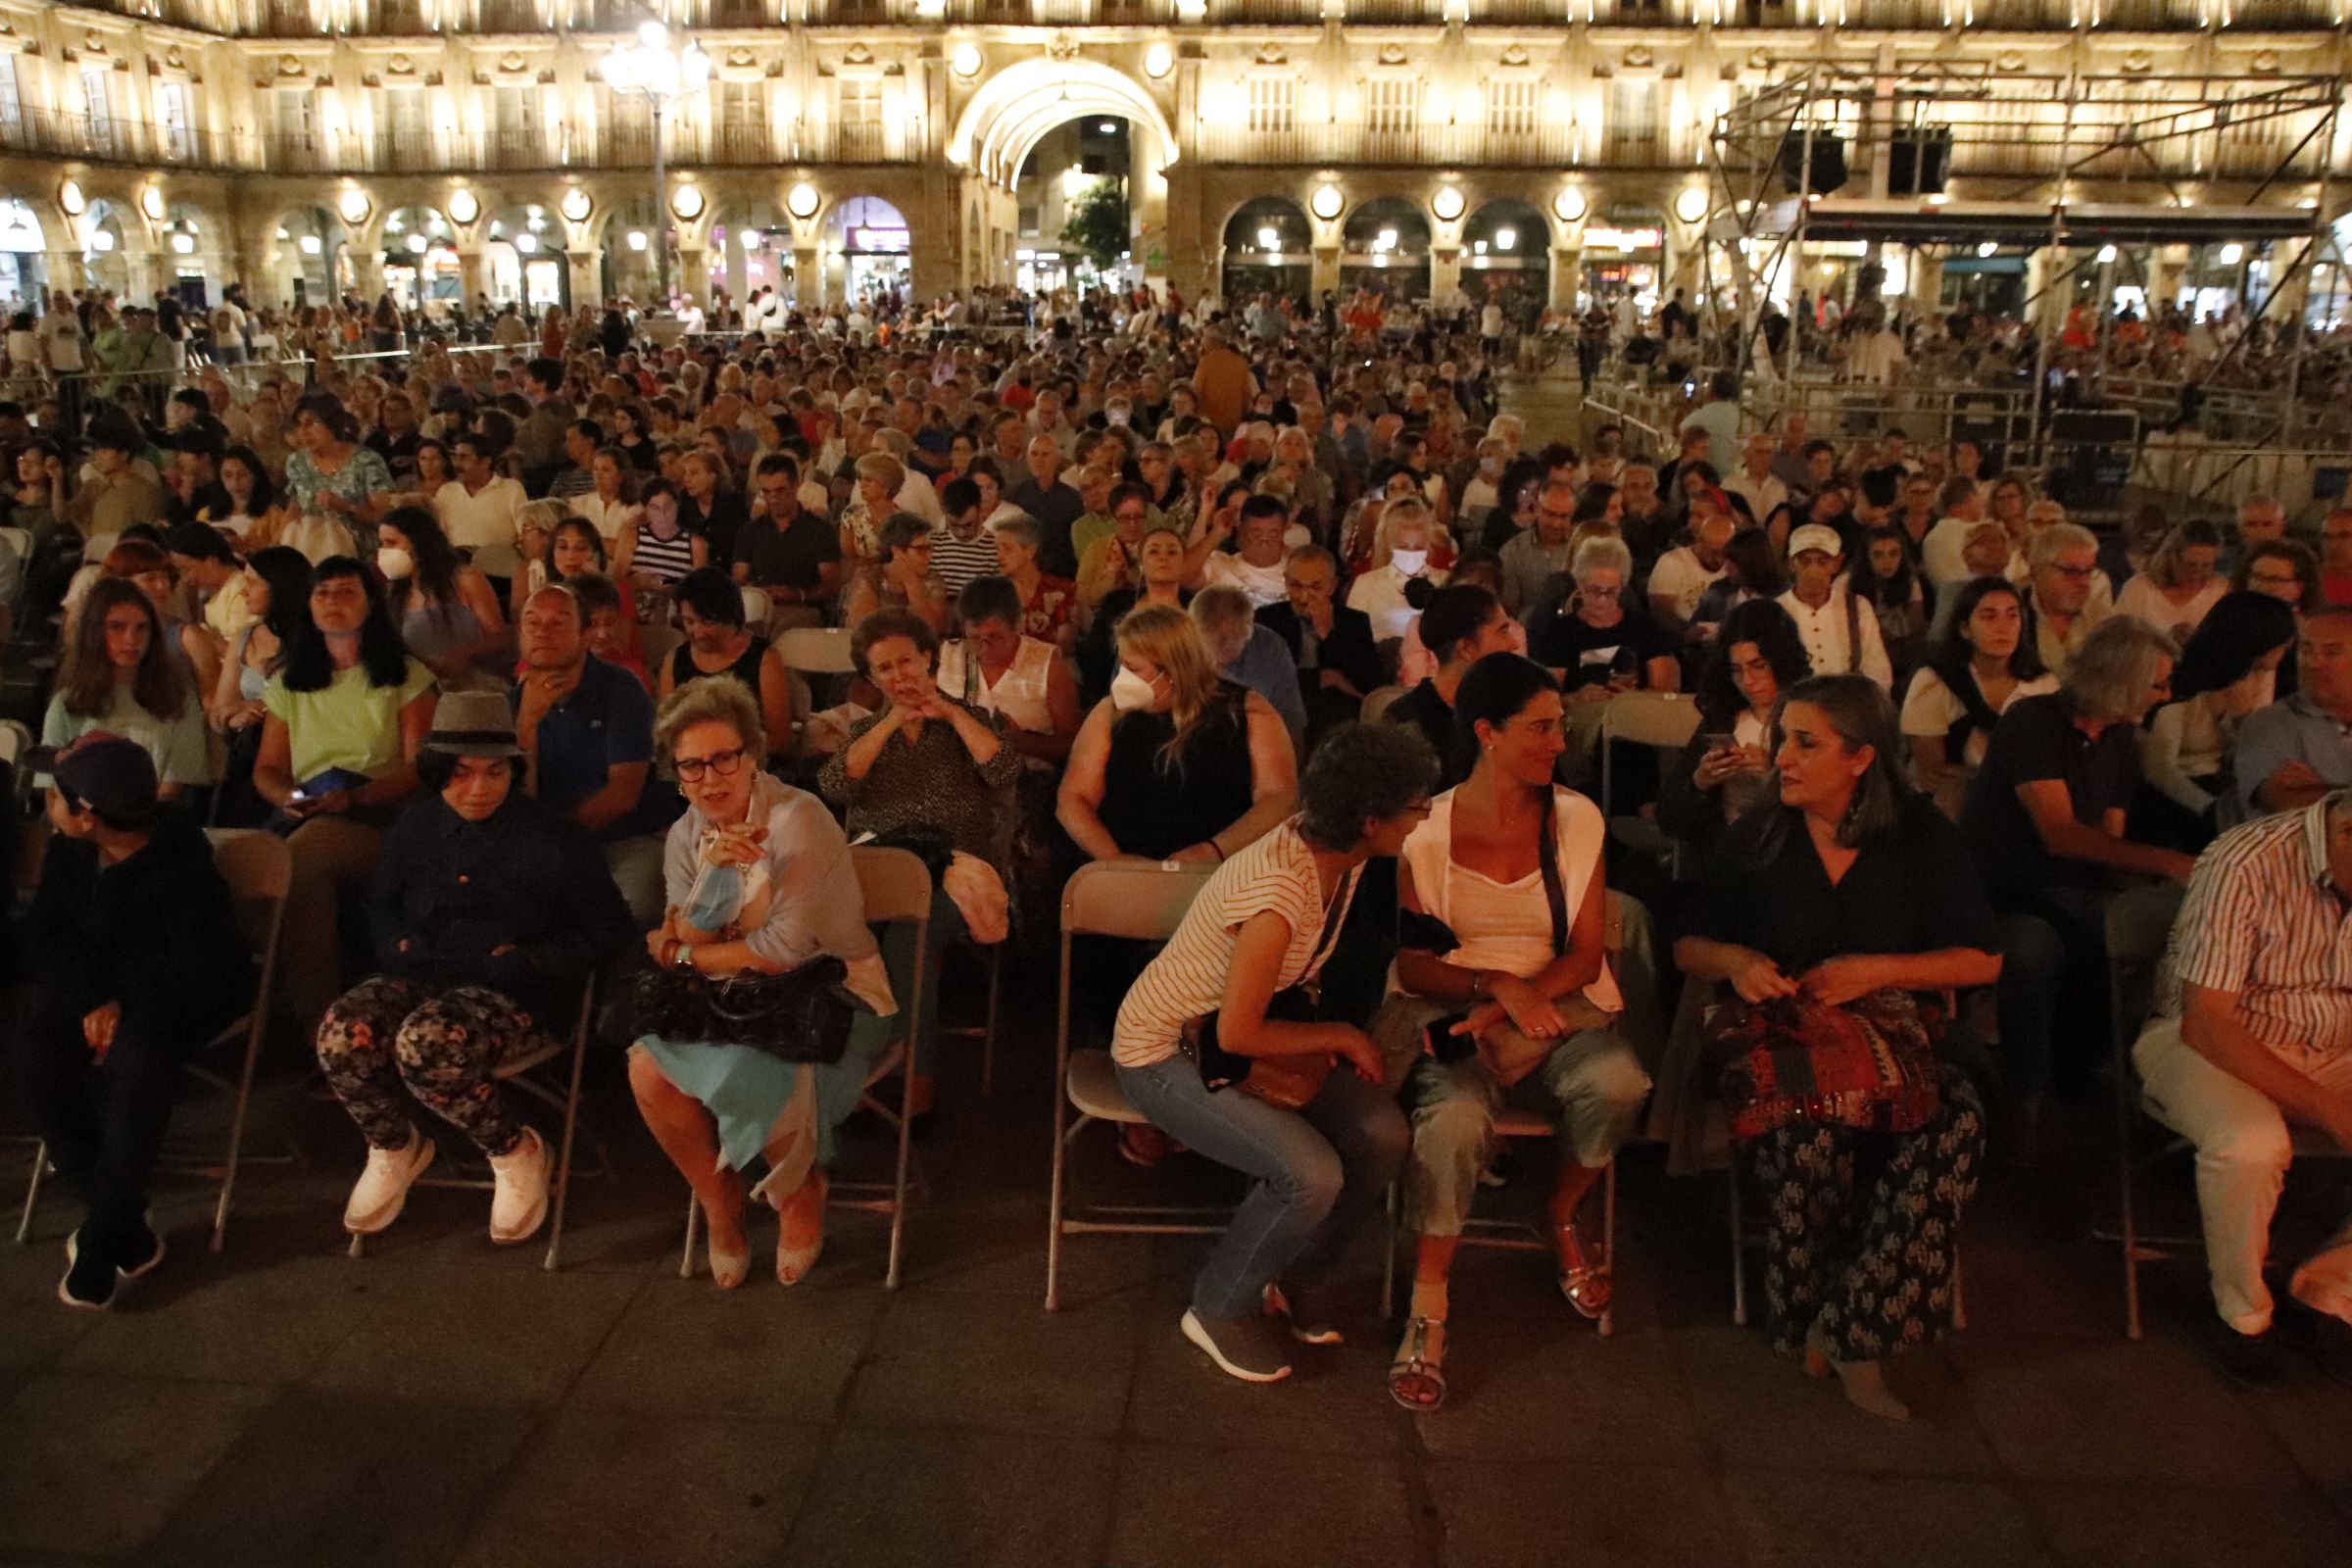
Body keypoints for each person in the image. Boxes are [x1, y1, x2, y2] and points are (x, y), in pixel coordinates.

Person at [1674, 674, 2001, 1419]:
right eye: (1784, 737)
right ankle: (1803, 1314)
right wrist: (1735, 963)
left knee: (1951, 1125)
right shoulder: (1759, 833)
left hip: (1901, 1030)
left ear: (1860, 758)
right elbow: (1688, 942)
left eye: (1804, 742)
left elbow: (1983, 957)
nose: (1781, 756)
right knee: (1813, 1131)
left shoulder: (1918, 835)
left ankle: (1857, 1324)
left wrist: (1880, 970)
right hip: (1785, 1031)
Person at [1111, 721, 1437, 1383]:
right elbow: (1238, 1035)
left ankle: (1297, 1277)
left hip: (1220, 1038)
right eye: (1415, 805)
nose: (1424, 816)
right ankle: (1220, 1306)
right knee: (1309, 1173)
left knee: (1382, 1135)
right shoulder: (1280, 891)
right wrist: (1342, 1035)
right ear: (1371, 820)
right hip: (1164, 1050)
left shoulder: (1339, 861)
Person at [1379, 656, 1650, 1410]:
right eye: (1541, 727)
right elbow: (1415, 963)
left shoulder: (1576, 819)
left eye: (1560, 724)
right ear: (1488, 733)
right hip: (1456, 1011)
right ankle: (1429, 1300)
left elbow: (1587, 952)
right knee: (1457, 1116)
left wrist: (1517, 1006)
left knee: (1619, 1083)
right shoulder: (1425, 831)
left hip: (1558, 1009)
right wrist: (1491, 991)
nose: (1559, 741)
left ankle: (1558, 1211)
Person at [318, 692, 632, 1246]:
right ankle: (393, 1144)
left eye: (494, 773)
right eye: (461, 775)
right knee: (343, 1032)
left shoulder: (556, 838)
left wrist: (531, 960)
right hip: (425, 973)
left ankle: (515, 1150)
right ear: (439, 772)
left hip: (519, 991)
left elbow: (611, 931)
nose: (479, 789)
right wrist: (398, 946)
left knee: (425, 1042)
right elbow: (383, 906)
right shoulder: (415, 826)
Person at [628, 676, 902, 1287]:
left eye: (725, 757)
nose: (710, 778)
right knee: (646, 1067)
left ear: (752, 756)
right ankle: (719, 1197)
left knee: (744, 1068)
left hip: (830, 997)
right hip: (734, 1001)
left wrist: (676, 954)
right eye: (692, 766)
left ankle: (799, 1191)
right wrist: (710, 890)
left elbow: (779, 954)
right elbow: (692, 938)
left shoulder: (797, 821)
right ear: (677, 775)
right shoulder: (684, 835)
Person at [15, 734, 254, 1308]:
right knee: (33, 1051)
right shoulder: (70, 851)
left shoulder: (180, 866)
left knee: (137, 1064)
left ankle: (101, 1239)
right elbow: (45, 936)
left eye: (56, 796)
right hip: (99, 993)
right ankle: (117, 1216)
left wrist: (124, 1003)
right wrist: (94, 997)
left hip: (178, 997)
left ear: (89, 815)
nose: (47, 804)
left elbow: (200, 968)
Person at [2132, 791, 2352, 1387]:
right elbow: (2208, 1022)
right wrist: (2330, 1109)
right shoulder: (2247, 859)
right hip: (2206, 1040)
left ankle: (2330, 1290)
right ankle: (2241, 1314)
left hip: (2335, 1046)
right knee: (2250, 1142)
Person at [1963, 616, 2194, 1131]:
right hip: (2007, 887)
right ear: (2121, 678)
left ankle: (2122, 1074)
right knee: (2071, 938)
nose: (2166, 694)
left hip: (2068, 883)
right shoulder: (2033, 722)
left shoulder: (2120, 741)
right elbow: (2062, 835)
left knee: (2167, 927)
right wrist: (2168, 863)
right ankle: (2034, 1098)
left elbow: (2106, 838)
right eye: (2157, 683)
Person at [819, 609, 1023, 1113]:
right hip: (878, 865)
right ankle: (844, 1074)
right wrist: (890, 721)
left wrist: (949, 714)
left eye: (907, 662)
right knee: (835, 930)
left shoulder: (972, 719)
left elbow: (1004, 771)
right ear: (870, 678)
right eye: (884, 669)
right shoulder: (866, 729)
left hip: (953, 869)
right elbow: (834, 786)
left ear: (928, 659)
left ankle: (914, 1088)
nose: (899, 676)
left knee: (911, 934)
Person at [253, 557, 440, 1034]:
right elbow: (268, 768)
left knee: (303, 857)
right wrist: (287, 797)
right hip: (310, 809)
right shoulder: (290, 681)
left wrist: (355, 800)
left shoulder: (406, 675)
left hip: (384, 816)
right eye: (323, 594)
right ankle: (325, 1022)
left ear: (370, 604)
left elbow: (420, 768)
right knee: (283, 861)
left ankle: (324, 1026)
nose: (333, 603)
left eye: (346, 592)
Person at [513, 581, 673, 924]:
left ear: (585, 636)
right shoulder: (509, 704)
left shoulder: (621, 689)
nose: (543, 632)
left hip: (621, 838)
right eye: (532, 621)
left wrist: (556, 841)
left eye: (558, 622)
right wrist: (526, 725)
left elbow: (622, 796)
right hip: (540, 847)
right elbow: (517, 802)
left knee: (633, 909)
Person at [2136, 592, 2298, 852]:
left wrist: (2238, 721)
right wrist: (2214, 810)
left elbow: (2240, 759)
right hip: (2176, 797)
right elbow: (2159, 770)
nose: (2288, 647)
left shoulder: (2252, 679)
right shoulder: (2181, 685)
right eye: (2282, 641)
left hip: (2219, 784)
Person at [1657, 599, 1809, 855]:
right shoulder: (1723, 719)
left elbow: (1831, 815)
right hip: (1724, 861)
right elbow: (1670, 821)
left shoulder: (1810, 718)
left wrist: (1773, 777)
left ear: (1781, 660)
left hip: (1790, 860)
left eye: (1758, 666)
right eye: (1736, 670)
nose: (1748, 681)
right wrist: (1700, 783)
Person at [1900, 577, 2057, 818]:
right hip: (1955, 803)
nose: (2003, 627)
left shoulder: (2041, 684)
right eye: (1989, 616)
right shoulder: (1936, 680)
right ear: (1965, 628)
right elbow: (1932, 774)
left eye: (2012, 615)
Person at [41, 577, 210, 801]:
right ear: (94, 632)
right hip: (82, 819)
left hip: (151, 818)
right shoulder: (68, 700)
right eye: (117, 627)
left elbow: (172, 785)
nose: (131, 640)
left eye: (141, 628)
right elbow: (53, 790)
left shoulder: (177, 697)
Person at [936, 574, 1082, 765]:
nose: (984, 648)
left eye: (995, 637)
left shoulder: (1046, 665)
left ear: (1017, 625)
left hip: (1025, 780)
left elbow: (1074, 743)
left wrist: (1024, 743)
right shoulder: (946, 656)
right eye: (974, 638)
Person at [657, 565, 796, 764]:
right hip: (690, 766)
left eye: (707, 622)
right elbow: (666, 729)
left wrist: (724, 756)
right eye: (689, 621)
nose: (698, 632)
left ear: (729, 617)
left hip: (749, 766)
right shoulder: (675, 659)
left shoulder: (764, 659)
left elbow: (780, 739)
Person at [1385, 584, 1520, 784]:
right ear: (1465, 648)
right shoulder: (1407, 722)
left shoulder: (1516, 706)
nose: (1514, 644)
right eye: (1502, 632)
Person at [1524, 535, 1680, 700]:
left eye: (1611, 591)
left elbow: (1665, 693)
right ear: (1580, 585)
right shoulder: (1560, 632)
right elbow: (1547, 698)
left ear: (1622, 586)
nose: (1602, 599)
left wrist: (1633, 698)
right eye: (1594, 590)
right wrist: (1575, 698)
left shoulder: (1643, 627)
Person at [1256, 544, 1384, 747]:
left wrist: (1328, 634)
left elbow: (1370, 681)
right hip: (1284, 706)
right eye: (1296, 586)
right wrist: (1320, 678)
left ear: (1332, 586)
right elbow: (1263, 677)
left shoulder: (1354, 622)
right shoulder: (1267, 619)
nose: (1304, 597)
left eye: (1315, 587)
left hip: (1338, 711)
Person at [2235, 606, 2352, 815]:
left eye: (2332, 652)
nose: (2314, 663)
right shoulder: (2267, 724)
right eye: (2306, 651)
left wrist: (2325, 790)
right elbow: (2293, 805)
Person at [378, 505, 508, 685]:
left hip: (474, 683)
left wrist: (464, 653)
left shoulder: (466, 580)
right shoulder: (394, 592)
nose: (384, 550)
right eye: (382, 543)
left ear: (419, 542)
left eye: (391, 543)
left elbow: (500, 638)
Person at [1192, 583, 1308, 752]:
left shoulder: (1271, 648)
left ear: (1249, 627)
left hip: (1256, 746)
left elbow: (1291, 725)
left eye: (1228, 644)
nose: (1219, 661)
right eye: (1209, 648)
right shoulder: (1177, 646)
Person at [1777, 523, 1893, 691]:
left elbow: (1878, 673)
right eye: (1805, 562)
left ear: (1837, 564)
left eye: (1822, 562)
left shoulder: (1858, 607)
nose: (1813, 571)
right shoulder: (1775, 610)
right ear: (1791, 564)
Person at [2115, 519, 2229, 642]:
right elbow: (2117, 637)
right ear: (2172, 557)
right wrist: (2164, 639)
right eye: (2191, 564)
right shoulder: (2139, 589)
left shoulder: (2220, 591)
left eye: (2207, 565)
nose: (2198, 572)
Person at [842, 511, 953, 636]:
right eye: (920, 549)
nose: (929, 556)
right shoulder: (869, 577)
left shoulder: (933, 580)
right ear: (897, 551)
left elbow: (934, 631)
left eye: (929, 549)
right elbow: (864, 628)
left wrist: (912, 585)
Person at [2024, 521, 2111, 676]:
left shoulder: (2101, 618)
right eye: (2071, 571)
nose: (2083, 582)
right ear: (2037, 570)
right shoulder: (2012, 614)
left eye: (2089, 571)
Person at [993, 512, 1079, 652]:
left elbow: (1065, 645)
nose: (999, 555)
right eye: (997, 549)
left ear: (1030, 551)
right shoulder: (994, 593)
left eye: (1007, 548)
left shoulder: (1061, 591)